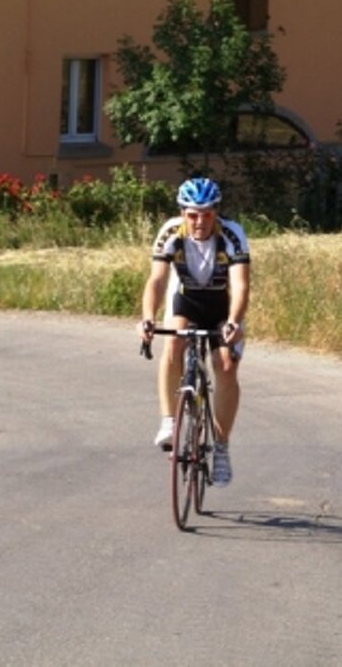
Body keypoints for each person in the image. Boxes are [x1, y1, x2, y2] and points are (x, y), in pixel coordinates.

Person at [137, 177, 250, 486]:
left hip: (221, 305)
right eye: (192, 215)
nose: (200, 222)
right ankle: (169, 421)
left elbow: (241, 285)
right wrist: (147, 318)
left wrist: (234, 321)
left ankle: (222, 448)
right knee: (174, 344)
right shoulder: (171, 232)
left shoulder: (232, 233)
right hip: (186, 300)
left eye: (207, 214)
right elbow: (157, 280)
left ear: (216, 213)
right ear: (182, 213)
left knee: (225, 365)